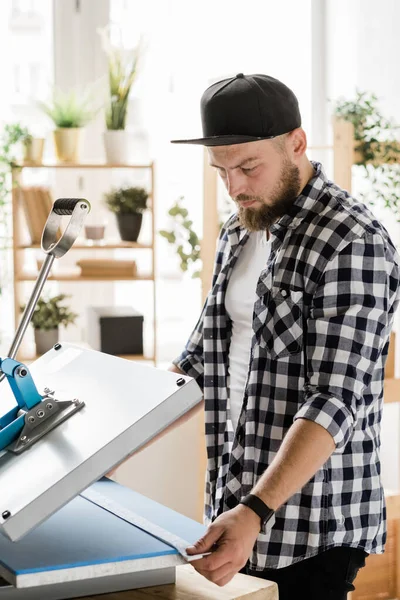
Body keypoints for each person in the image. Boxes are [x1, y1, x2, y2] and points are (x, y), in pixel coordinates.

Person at [168, 73, 400, 599]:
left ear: (297, 143)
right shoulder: (241, 227)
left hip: (313, 521)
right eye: (222, 172)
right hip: (235, 501)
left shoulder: (353, 241)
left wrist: (255, 511)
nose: (237, 187)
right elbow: (202, 357)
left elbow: (336, 398)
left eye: (249, 167)